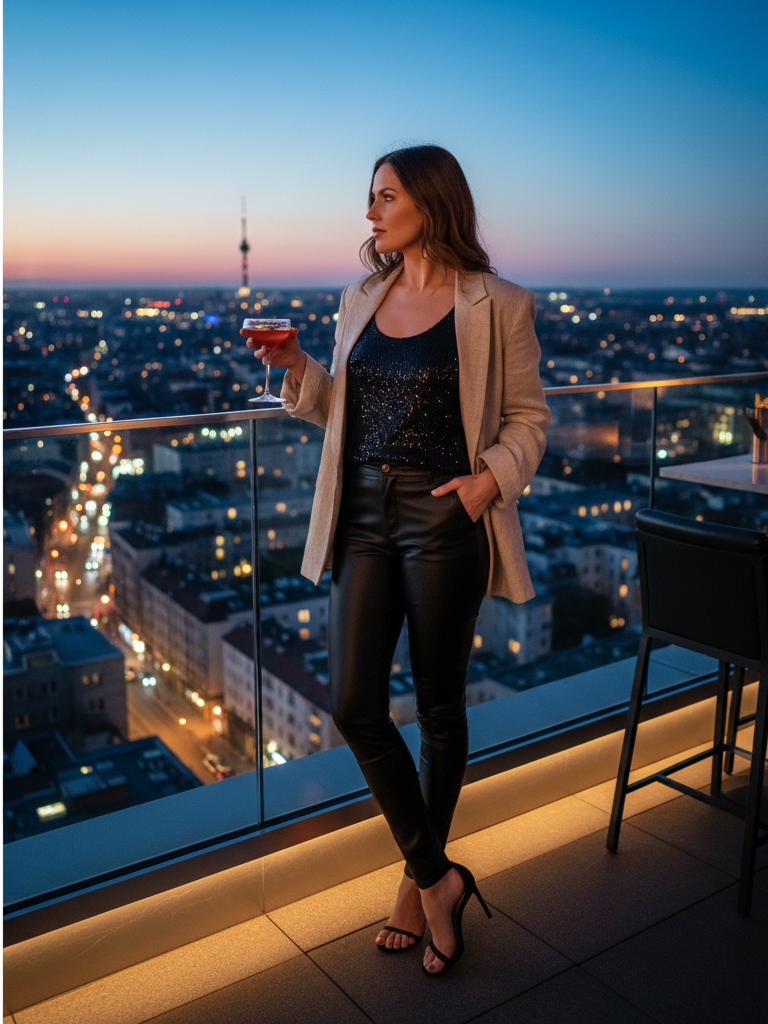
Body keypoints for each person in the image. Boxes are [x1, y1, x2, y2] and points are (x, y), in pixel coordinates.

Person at [242, 144, 551, 975]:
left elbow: (530, 421)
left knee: (440, 707)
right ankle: (438, 875)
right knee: (354, 702)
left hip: (445, 511)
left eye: (386, 196)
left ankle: (416, 891)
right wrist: (298, 368)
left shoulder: (499, 303)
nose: (371, 212)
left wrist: (486, 483)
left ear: (430, 202)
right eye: (371, 197)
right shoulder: (361, 296)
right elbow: (344, 410)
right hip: (362, 515)